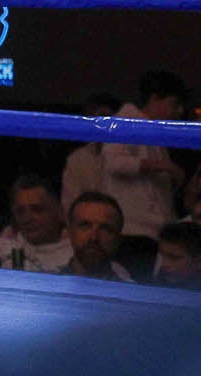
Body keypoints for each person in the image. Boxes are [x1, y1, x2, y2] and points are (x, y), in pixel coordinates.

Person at [103, 70, 190, 239]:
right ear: (155, 99)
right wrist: (165, 166)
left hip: (153, 230)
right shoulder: (127, 120)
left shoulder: (153, 132)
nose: (179, 111)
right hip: (133, 230)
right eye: (174, 103)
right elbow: (114, 162)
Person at [0, 175, 72, 273]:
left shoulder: (78, 256)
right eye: (20, 212)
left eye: (37, 210)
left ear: (59, 211)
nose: (27, 218)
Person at [65, 192, 133, 281]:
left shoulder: (130, 291)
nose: (94, 237)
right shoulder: (47, 284)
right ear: (70, 231)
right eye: (85, 226)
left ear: (118, 239)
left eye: (105, 229)